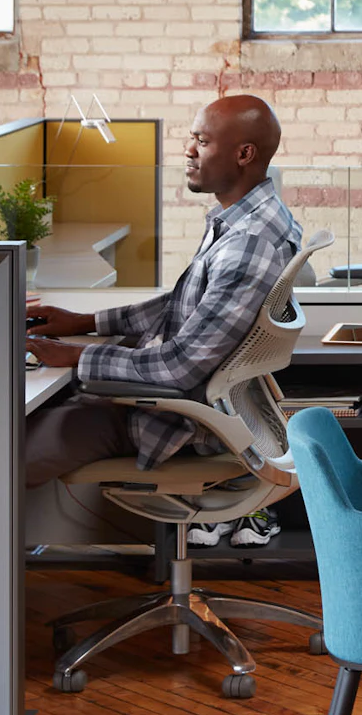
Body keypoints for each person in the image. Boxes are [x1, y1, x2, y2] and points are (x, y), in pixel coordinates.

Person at [21, 94, 303, 491]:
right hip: (184, 403)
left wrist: (77, 355)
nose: (188, 150)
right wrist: (84, 322)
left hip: (170, 419)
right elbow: (183, 305)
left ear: (244, 154)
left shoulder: (248, 242)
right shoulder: (254, 217)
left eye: (202, 142)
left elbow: (178, 367)